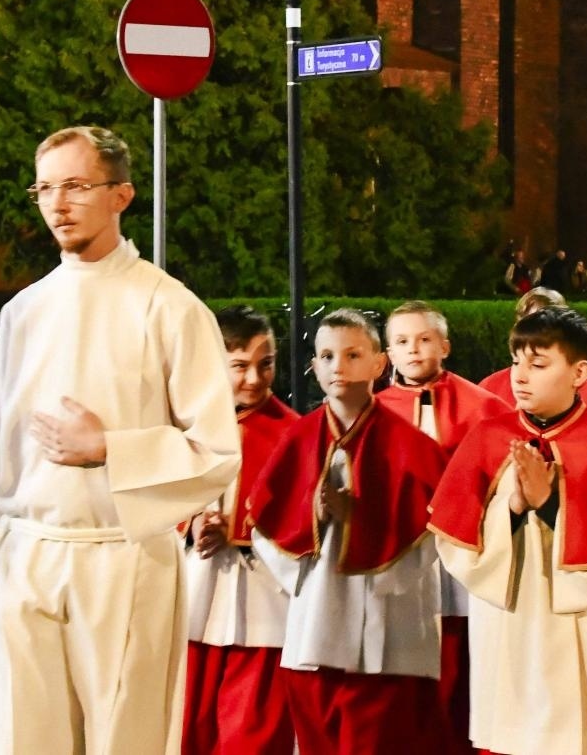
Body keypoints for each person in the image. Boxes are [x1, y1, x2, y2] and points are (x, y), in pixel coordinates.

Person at [0, 125, 241, 755]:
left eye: (76, 185)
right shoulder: (23, 311)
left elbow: (215, 451)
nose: (58, 204)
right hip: (31, 555)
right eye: (44, 189)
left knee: (124, 737)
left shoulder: (169, 307)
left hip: (124, 558)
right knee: (24, 738)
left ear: (121, 194)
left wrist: (110, 449)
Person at [429, 307, 587, 755]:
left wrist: (550, 505)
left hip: (582, 627)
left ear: (579, 372)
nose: (520, 376)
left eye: (539, 364)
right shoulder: (487, 438)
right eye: (516, 361)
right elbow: (456, 544)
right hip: (508, 623)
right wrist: (514, 507)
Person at [247, 308, 447, 755]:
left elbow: (433, 536)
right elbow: (265, 526)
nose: (338, 366)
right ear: (314, 368)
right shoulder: (297, 439)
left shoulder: (413, 447)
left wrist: (362, 519)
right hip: (315, 624)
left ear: (379, 364)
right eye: (326, 356)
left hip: (388, 632)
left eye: (353, 354)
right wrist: (313, 517)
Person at [375, 300, 506, 751]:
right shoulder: (373, 410)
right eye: (402, 341)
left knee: (462, 652)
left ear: (445, 347)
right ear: (388, 354)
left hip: (463, 552)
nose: (413, 349)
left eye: (424, 339)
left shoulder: (484, 407)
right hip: (400, 553)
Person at [181, 306, 298, 755]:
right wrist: (192, 522)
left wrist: (238, 529)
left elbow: (302, 521)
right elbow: (156, 493)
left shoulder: (294, 433)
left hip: (264, 600)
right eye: (239, 365)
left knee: (254, 730)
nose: (254, 378)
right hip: (195, 592)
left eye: (265, 364)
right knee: (186, 724)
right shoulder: (185, 426)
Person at [479, 287, 569, 404]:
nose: (530, 335)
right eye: (524, 326)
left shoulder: (580, 390)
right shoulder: (490, 388)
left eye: (541, 326)